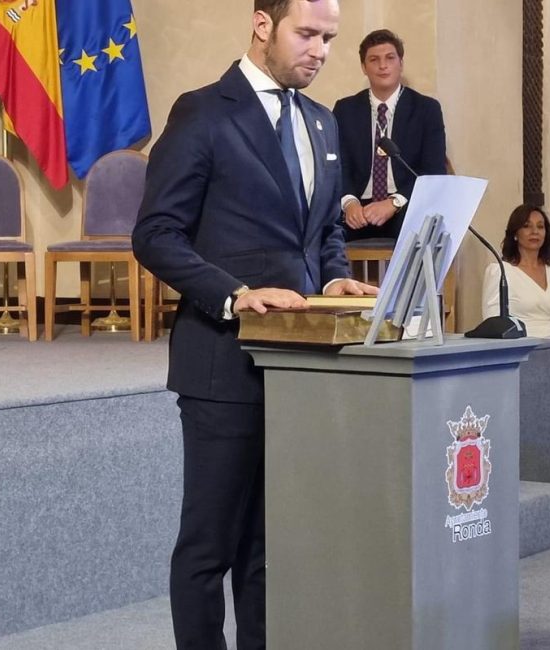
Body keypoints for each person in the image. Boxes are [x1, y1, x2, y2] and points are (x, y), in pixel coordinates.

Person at [131, 2, 377, 647]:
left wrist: (332, 278)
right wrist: (234, 293)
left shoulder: (322, 124)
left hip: (299, 366)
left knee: (269, 548)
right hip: (223, 363)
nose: (320, 50)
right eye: (308, 34)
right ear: (263, 25)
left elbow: (322, 230)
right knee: (210, 546)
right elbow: (156, 235)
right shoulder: (204, 112)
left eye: (329, 39)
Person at [334, 29, 447, 241]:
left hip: (405, 204)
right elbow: (339, 166)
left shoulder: (426, 109)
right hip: (358, 206)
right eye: (374, 59)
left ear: (400, 63)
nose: (383, 66)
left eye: (390, 58)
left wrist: (393, 202)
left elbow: (434, 171)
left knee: (423, 233)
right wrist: (349, 202)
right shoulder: (345, 109)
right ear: (363, 67)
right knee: (322, 233)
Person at [480, 204, 550, 338]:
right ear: (515, 233)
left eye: (540, 226)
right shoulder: (500, 271)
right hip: (520, 352)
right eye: (527, 226)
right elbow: (493, 325)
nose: (535, 231)